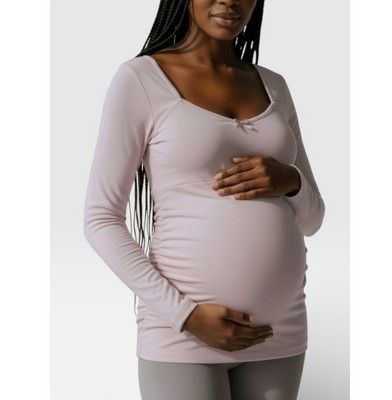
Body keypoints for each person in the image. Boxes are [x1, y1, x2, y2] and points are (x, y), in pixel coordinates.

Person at [84, 0, 325, 399]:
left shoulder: (273, 85)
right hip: (183, 332)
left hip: (280, 330)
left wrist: (291, 180)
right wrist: (185, 315)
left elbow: (313, 220)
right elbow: (100, 219)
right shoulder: (141, 79)